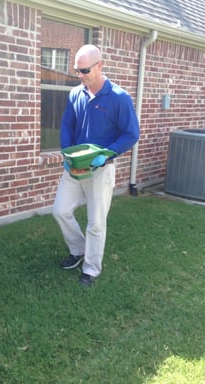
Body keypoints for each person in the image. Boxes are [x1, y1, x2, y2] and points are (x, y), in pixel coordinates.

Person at [53, 44, 140, 287]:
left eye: (84, 70)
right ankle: (79, 250)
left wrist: (109, 153)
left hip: (101, 169)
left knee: (96, 222)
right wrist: (67, 157)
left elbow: (131, 133)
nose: (80, 76)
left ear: (100, 66)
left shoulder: (119, 98)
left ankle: (91, 269)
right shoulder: (75, 94)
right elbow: (67, 126)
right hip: (75, 168)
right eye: (77, 71)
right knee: (60, 210)